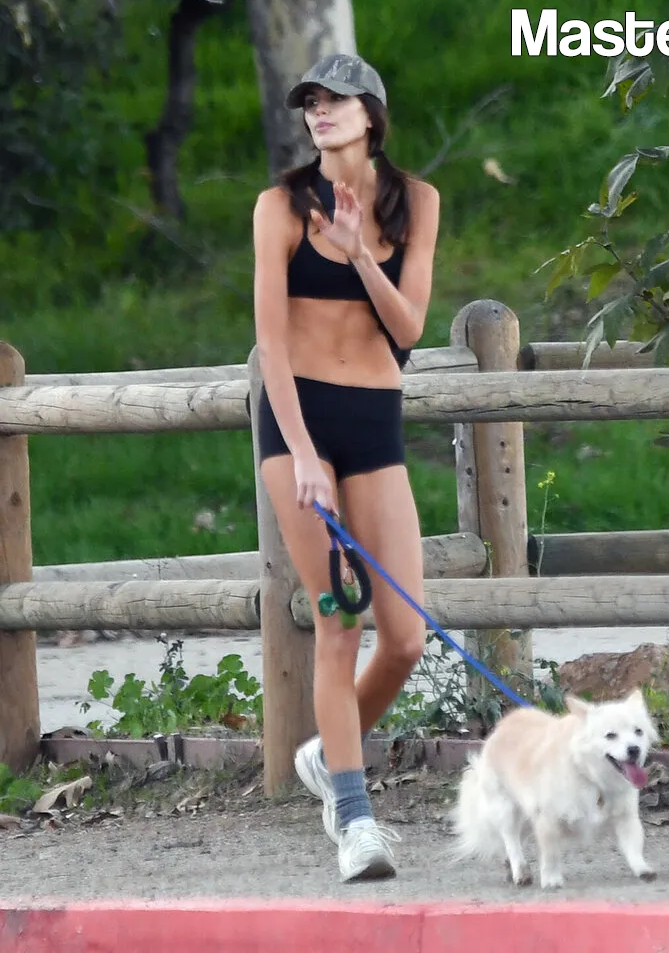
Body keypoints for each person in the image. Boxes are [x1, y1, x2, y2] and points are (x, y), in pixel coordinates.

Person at [251, 53, 441, 883]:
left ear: (372, 114)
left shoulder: (417, 201)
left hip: (373, 417)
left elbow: (409, 330)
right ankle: (356, 822)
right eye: (311, 102)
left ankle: (330, 756)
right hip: (299, 423)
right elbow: (271, 344)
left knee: (406, 637)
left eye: (336, 100)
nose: (320, 112)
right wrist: (301, 454)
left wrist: (363, 253)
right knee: (341, 621)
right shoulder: (281, 206)